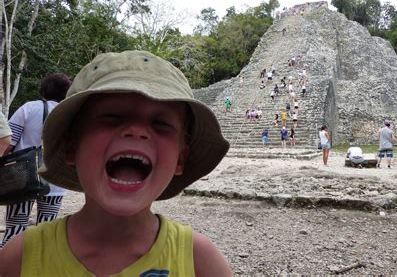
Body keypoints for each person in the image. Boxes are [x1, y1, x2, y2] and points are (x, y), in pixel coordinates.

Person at [0, 50, 233, 276]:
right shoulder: (19, 259)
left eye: (161, 123)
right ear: (72, 147)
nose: (137, 130)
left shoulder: (200, 262)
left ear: (180, 159)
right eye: (112, 117)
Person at [1, 73, 71, 248]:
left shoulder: (29, 108)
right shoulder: (70, 114)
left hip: (22, 178)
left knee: (15, 229)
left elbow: (9, 142)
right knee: (45, 231)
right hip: (55, 181)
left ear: (44, 89)